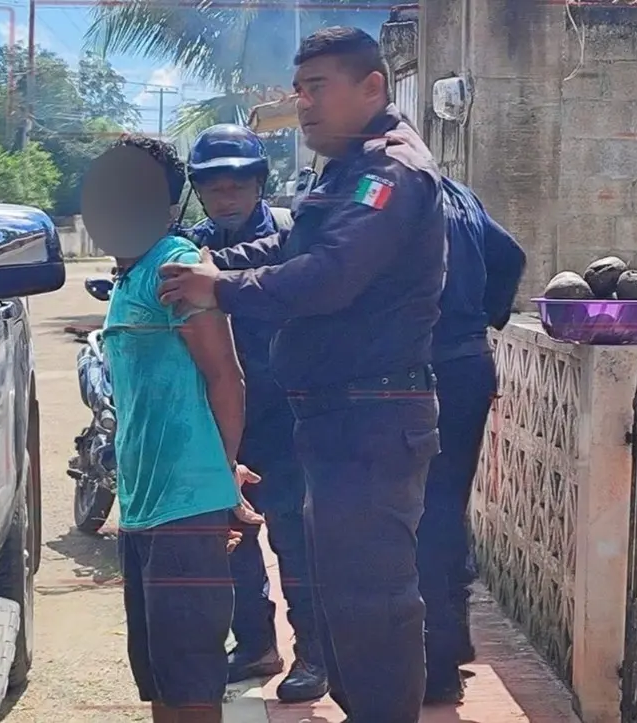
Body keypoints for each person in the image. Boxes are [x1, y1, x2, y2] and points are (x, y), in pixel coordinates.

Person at [157, 27, 447, 723]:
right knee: (344, 594)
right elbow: (295, 239)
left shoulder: (389, 172)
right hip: (340, 415)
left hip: (371, 417)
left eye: (319, 88)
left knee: (373, 602)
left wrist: (220, 290)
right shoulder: (347, 170)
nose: (304, 105)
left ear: (371, 86)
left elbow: (330, 275)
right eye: (300, 89)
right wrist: (218, 264)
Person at [102, 134, 262, 723]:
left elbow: (226, 375)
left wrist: (223, 474)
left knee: (192, 682)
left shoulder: (175, 265)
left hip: (185, 505)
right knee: (162, 680)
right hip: (142, 507)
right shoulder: (130, 274)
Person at [184, 124, 329, 703]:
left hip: (285, 415)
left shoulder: (293, 235)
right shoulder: (187, 243)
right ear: (198, 188)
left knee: (296, 537)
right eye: (213, 183)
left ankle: (314, 652)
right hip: (223, 420)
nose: (227, 194)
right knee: (232, 538)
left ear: (260, 183)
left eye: (239, 180)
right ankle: (255, 645)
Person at [416, 176, 526, 702]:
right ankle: (451, 646)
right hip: (468, 364)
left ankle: (434, 667)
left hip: (415, 369)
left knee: (414, 516)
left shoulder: (381, 190)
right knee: (445, 508)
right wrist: (488, 315)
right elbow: (510, 255)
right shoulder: (458, 193)